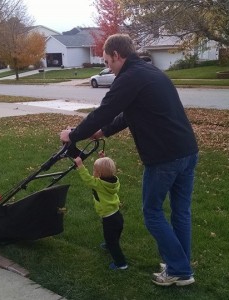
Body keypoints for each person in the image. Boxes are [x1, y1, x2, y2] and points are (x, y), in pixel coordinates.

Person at [60, 33, 199, 286]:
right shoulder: (149, 72)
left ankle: (179, 269)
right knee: (181, 212)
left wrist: (73, 135)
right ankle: (181, 265)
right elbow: (126, 114)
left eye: (108, 62)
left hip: (165, 157)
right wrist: (103, 132)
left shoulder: (129, 77)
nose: (109, 68)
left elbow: (105, 110)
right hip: (188, 150)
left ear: (117, 55)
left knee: (152, 212)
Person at [74, 152, 128, 270]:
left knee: (112, 241)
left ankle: (121, 264)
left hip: (109, 218)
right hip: (117, 215)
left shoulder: (98, 184)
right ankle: (109, 245)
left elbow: (87, 179)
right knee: (115, 235)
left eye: (95, 170)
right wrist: (102, 159)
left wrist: (80, 166)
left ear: (98, 173)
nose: (93, 171)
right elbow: (106, 170)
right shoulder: (114, 181)